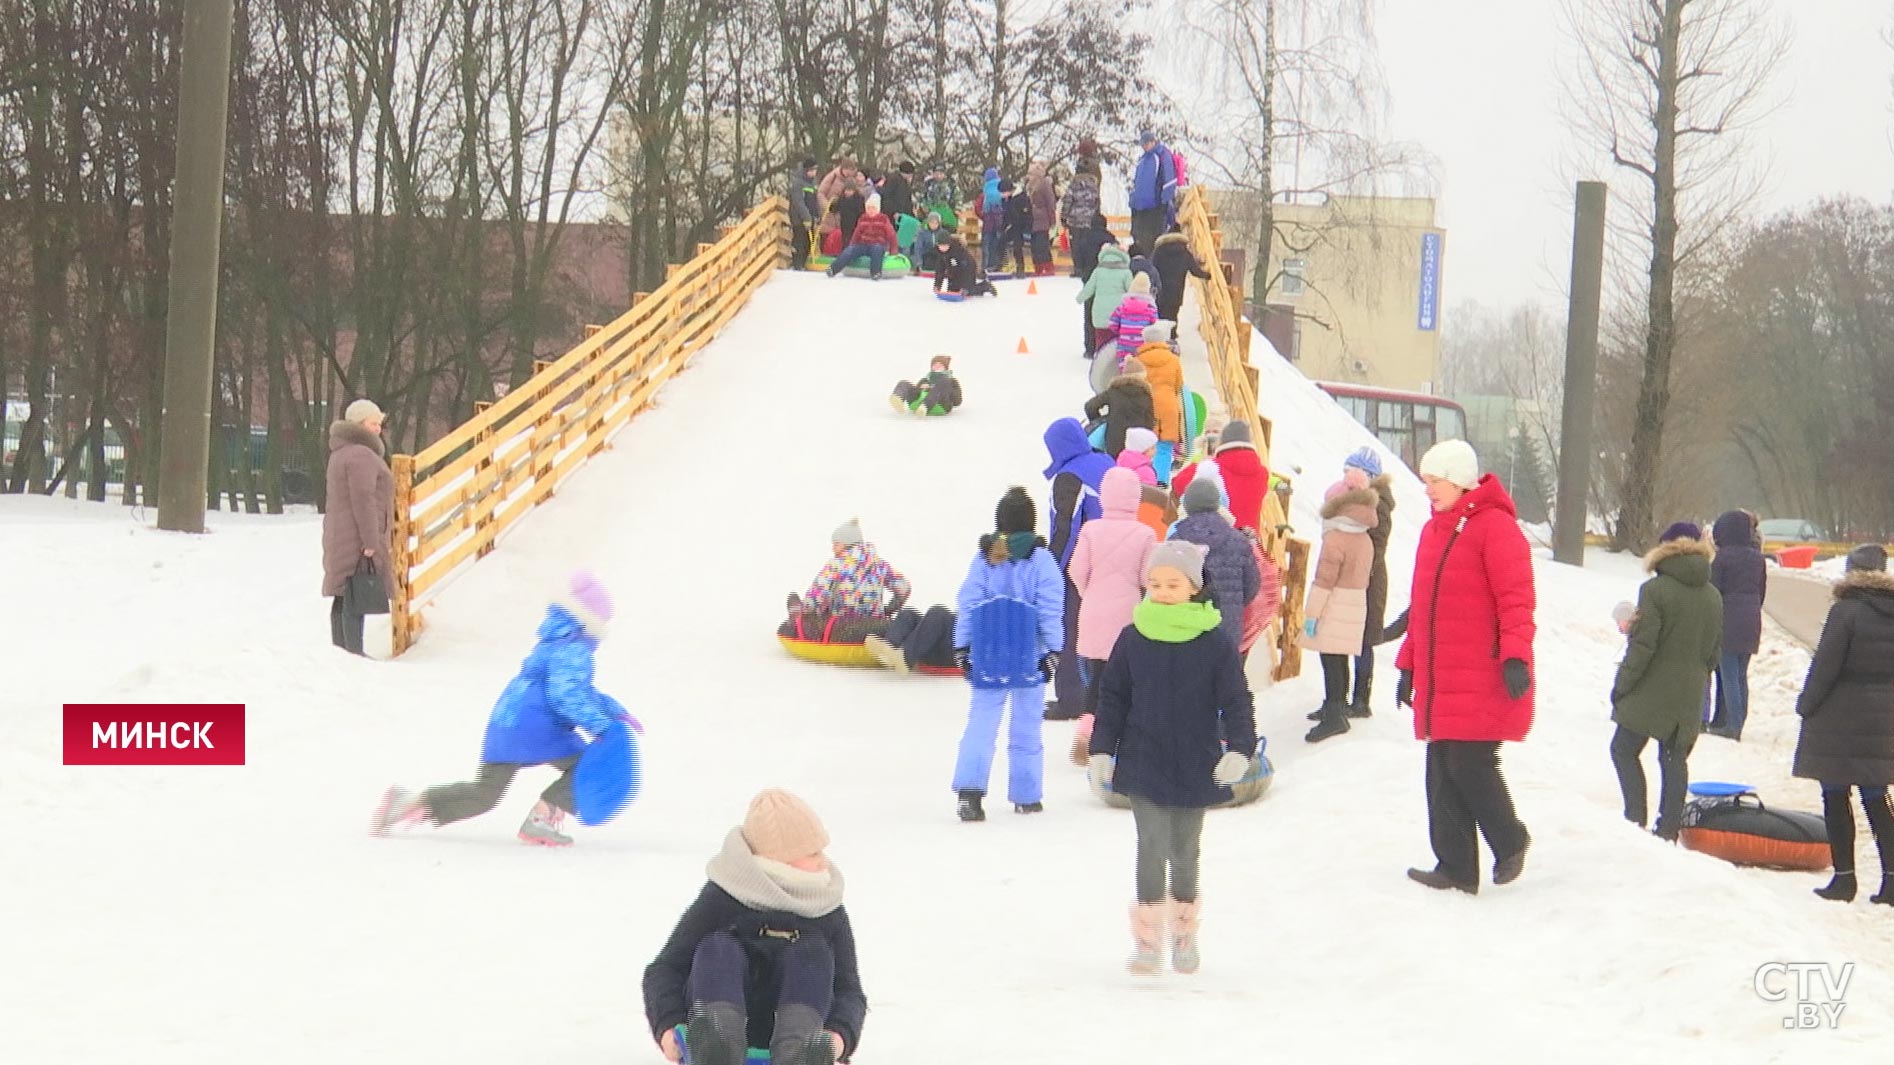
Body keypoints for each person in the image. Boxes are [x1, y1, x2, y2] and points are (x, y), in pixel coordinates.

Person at [371, 571, 636, 847]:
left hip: (508, 721)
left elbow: (580, 691)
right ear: (589, 621)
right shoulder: (574, 650)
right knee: (587, 764)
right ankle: (541, 820)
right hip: (539, 727)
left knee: (485, 793)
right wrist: (601, 726)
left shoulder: (553, 644)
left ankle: (407, 803)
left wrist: (614, 711)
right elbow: (566, 695)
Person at [1089, 540, 1256, 975]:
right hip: (1144, 757)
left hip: (1195, 758)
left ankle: (1184, 934)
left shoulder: (1214, 642)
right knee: (1151, 845)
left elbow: (1236, 699)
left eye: (1172, 583)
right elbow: (1112, 698)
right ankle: (1148, 942)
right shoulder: (1133, 637)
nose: (1162, 591)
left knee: (1184, 850)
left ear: (1194, 587)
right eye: (1155, 583)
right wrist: (1102, 749)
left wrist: (1240, 748)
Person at [1396, 439, 1535, 895]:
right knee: (1441, 765)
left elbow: (1516, 600)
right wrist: (1409, 665)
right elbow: (1423, 609)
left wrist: (1515, 655)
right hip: (1442, 675)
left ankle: (1510, 839)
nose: (1428, 490)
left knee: (1469, 761)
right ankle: (1455, 866)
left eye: (1434, 482)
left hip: (1483, 671)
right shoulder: (1436, 530)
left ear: (1457, 480)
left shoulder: (1496, 528)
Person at [643, 789, 866, 1065]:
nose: (822, 859)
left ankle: (799, 1050)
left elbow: (849, 991)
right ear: (776, 860)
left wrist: (838, 1037)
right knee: (719, 949)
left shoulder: (826, 907)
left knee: (812, 954)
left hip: (798, 1030)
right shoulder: (723, 898)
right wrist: (669, 1026)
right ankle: (717, 1039)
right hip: (717, 1025)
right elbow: (665, 969)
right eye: (810, 852)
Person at [952, 488, 1066, 821]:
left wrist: (962, 647)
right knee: (1027, 725)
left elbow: (969, 604)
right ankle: (1026, 794)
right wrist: (1054, 651)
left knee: (981, 723)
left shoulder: (987, 556)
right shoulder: (1041, 561)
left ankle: (970, 793)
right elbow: (1050, 610)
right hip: (1028, 655)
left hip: (988, 653)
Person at [1792, 544, 1894, 906]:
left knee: (1835, 795)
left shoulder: (1845, 611)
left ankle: (1844, 879)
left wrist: (1805, 705)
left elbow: (1826, 667)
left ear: (1852, 571)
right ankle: (1892, 881)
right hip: (1884, 718)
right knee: (1878, 797)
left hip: (1839, 717)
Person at [1607, 522, 1721, 842]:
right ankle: (1668, 830)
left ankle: (1634, 821)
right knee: (1673, 759)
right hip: (1690, 692)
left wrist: (1622, 686)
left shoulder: (1654, 591)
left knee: (1623, 749)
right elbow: (1714, 653)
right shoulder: (1713, 595)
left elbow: (1643, 647)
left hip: (1651, 690)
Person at [1069, 467, 1157, 722]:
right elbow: (1146, 578)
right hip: (1127, 612)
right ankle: (1117, 734)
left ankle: (1088, 728)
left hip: (1094, 609)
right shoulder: (1145, 534)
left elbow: (1076, 570)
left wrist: (1090, 593)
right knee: (1123, 678)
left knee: (1096, 675)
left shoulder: (1090, 529)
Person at [1044, 416, 1117, 718]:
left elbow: (1066, 527)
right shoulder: (1105, 463)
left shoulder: (1070, 477)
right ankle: (1104, 698)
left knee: (1070, 628)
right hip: (1116, 559)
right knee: (1108, 630)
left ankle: (1072, 700)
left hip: (1081, 564)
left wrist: (1052, 568)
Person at [1301, 474, 1380, 743]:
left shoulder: (1335, 538)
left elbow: (1324, 581)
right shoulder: (1365, 537)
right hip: (1355, 603)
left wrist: (1312, 613)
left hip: (1333, 604)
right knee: (1340, 658)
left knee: (1330, 661)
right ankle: (1336, 706)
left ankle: (1334, 713)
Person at [322, 398, 394, 656]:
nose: (378, 429)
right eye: (374, 423)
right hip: (356, 535)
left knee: (344, 593)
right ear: (361, 424)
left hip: (341, 533)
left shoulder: (342, 452)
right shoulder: (361, 455)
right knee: (356, 592)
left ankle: (341, 651)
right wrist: (371, 540)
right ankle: (353, 654)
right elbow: (363, 498)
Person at [1172, 477, 1262, 655]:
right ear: (1216, 504)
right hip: (1227, 628)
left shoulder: (1176, 541)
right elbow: (1252, 585)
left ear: (1187, 505)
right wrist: (1234, 604)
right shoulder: (1239, 541)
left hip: (1186, 625)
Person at [1708, 509, 1766, 740]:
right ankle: (1738, 720)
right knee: (1741, 675)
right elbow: (1761, 592)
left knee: (1728, 673)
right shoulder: (1757, 558)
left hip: (1728, 620)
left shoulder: (1723, 558)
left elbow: (1714, 591)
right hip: (1751, 620)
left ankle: (1731, 725)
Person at [1173, 419, 1270, 535]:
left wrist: (1201, 463)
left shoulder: (1211, 468)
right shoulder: (1262, 473)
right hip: (1248, 541)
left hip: (1215, 539)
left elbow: (1178, 484)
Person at [1131, 322, 1185, 483]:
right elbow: (1179, 384)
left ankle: (1147, 479)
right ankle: (1161, 481)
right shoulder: (1173, 360)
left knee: (1147, 445)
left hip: (1146, 405)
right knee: (1165, 447)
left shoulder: (1138, 359)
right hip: (1169, 405)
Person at [1085, 357, 1156, 456]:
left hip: (1114, 440)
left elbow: (1090, 406)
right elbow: (1150, 421)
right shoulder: (1145, 395)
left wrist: (1100, 420)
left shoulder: (1114, 391)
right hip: (1139, 443)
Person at [864, 604, 960, 675]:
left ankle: (905, 658)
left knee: (938, 612)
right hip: (937, 645)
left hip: (954, 653)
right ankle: (889, 648)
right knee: (908, 614)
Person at [1077, 245, 1135, 357]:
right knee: (1116, 342)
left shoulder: (1098, 271)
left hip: (1099, 313)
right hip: (1118, 314)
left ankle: (1100, 364)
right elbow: (1131, 292)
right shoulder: (1126, 272)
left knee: (1102, 343)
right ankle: (1115, 364)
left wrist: (1080, 298)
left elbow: (1089, 288)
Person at [825, 198, 899, 280]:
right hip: (863, 244)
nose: (871, 210)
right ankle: (833, 269)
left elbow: (891, 235)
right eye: (869, 208)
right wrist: (852, 245)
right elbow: (857, 233)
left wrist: (893, 250)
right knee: (850, 250)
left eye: (873, 208)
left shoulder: (883, 219)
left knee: (877, 250)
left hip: (877, 244)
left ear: (878, 209)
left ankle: (875, 272)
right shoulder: (863, 218)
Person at [1128, 129, 1178, 251]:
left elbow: (1169, 179)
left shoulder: (1162, 156)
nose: (1144, 147)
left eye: (1146, 144)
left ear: (1153, 142)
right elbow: (1137, 183)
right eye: (1143, 145)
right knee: (1141, 239)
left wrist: (1165, 201)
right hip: (1141, 207)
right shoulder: (1143, 160)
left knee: (1153, 241)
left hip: (1155, 206)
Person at [1151, 232, 1211, 322]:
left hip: (1161, 291)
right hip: (1176, 291)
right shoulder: (1185, 253)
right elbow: (1195, 270)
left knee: (1161, 315)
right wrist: (1207, 275)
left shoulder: (1159, 251)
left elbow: (1151, 267)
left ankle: (1162, 334)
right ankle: (1173, 333)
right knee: (1173, 315)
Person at [1109, 275, 1160, 365]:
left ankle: (1125, 377)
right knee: (1140, 369)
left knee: (1124, 368)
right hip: (1142, 345)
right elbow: (1155, 327)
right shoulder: (1151, 309)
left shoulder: (1122, 307)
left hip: (1124, 343)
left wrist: (1120, 332)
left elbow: (1112, 323)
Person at [889, 354, 962, 416]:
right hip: (918, 405)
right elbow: (916, 393)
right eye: (935, 364)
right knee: (903, 383)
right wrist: (921, 388)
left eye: (940, 365)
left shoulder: (951, 381)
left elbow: (957, 402)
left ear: (945, 368)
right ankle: (898, 398)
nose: (937, 366)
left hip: (940, 405)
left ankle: (925, 406)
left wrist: (942, 389)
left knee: (944, 381)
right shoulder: (925, 380)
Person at [931, 233, 997, 298]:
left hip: (967, 269)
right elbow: (940, 270)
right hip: (954, 272)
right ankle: (975, 291)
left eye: (945, 245)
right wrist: (937, 285)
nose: (943, 248)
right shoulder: (940, 253)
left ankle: (985, 286)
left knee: (966, 291)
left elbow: (964, 269)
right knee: (953, 291)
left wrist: (964, 286)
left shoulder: (957, 250)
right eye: (941, 245)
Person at [789, 157, 820, 271]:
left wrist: (816, 215)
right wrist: (806, 217)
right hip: (799, 218)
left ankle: (804, 263)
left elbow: (815, 201)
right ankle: (797, 263)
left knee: (809, 242)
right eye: (811, 170)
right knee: (799, 240)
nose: (813, 173)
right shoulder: (798, 184)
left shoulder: (813, 183)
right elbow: (799, 202)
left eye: (815, 170)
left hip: (810, 217)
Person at [1027, 161, 1058, 276]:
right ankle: (1038, 268)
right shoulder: (1028, 186)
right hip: (1031, 220)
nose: (1029, 176)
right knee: (1034, 247)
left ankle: (1047, 268)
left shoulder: (1045, 184)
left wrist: (1052, 221)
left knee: (1042, 245)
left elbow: (1050, 202)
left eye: (1031, 174)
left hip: (1042, 220)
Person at [1001, 178, 1034, 276]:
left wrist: (1026, 229)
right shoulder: (1007, 199)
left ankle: (1020, 267)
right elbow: (1006, 214)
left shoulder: (1021, 198)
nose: (1002, 195)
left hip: (1021, 226)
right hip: (1012, 226)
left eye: (1003, 192)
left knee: (1017, 246)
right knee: (1001, 243)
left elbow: (1027, 214)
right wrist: (1004, 226)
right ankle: (1003, 264)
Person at [831, 183, 867, 260]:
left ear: (854, 191)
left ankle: (854, 256)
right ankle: (845, 256)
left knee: (854, 240)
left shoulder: (859, 199)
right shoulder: (842, 199)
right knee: (845, 240)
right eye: (846, 190)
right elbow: (833, 210)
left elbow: (862, 212)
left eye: (850, 191)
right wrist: (833, 203)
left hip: (856, 224)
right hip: (845, 224)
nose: (847, 192)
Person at [979, 166, 1004, 271]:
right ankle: (997, 265)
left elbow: (980, 207)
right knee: (997, 243)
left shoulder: (986, 189)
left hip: (988, 221)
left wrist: (983, 215)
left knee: (987, 244)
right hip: (999, 221)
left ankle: (986, 266)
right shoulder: (1001, 187)